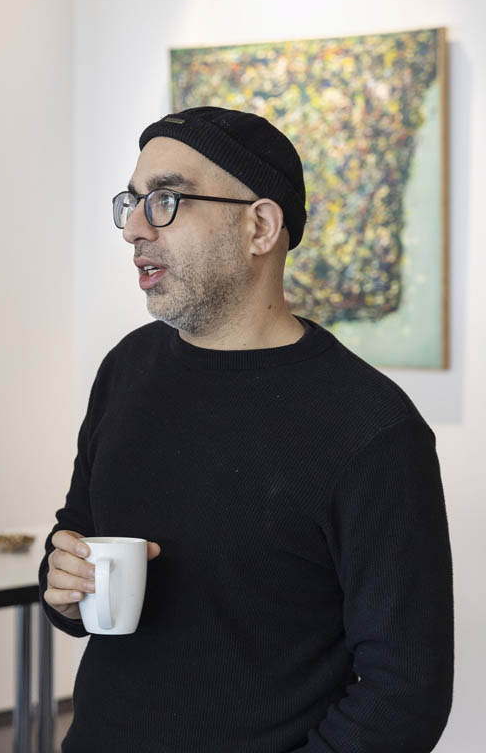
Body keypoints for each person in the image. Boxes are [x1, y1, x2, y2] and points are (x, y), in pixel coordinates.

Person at [40, 107, 453, 752]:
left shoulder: (372, 428)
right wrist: (63, 586)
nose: (135, 229)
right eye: (133, 201)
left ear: (259, 226)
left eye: (167, 199)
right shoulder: (127, 368)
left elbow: (405, 693)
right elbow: (76, 535)